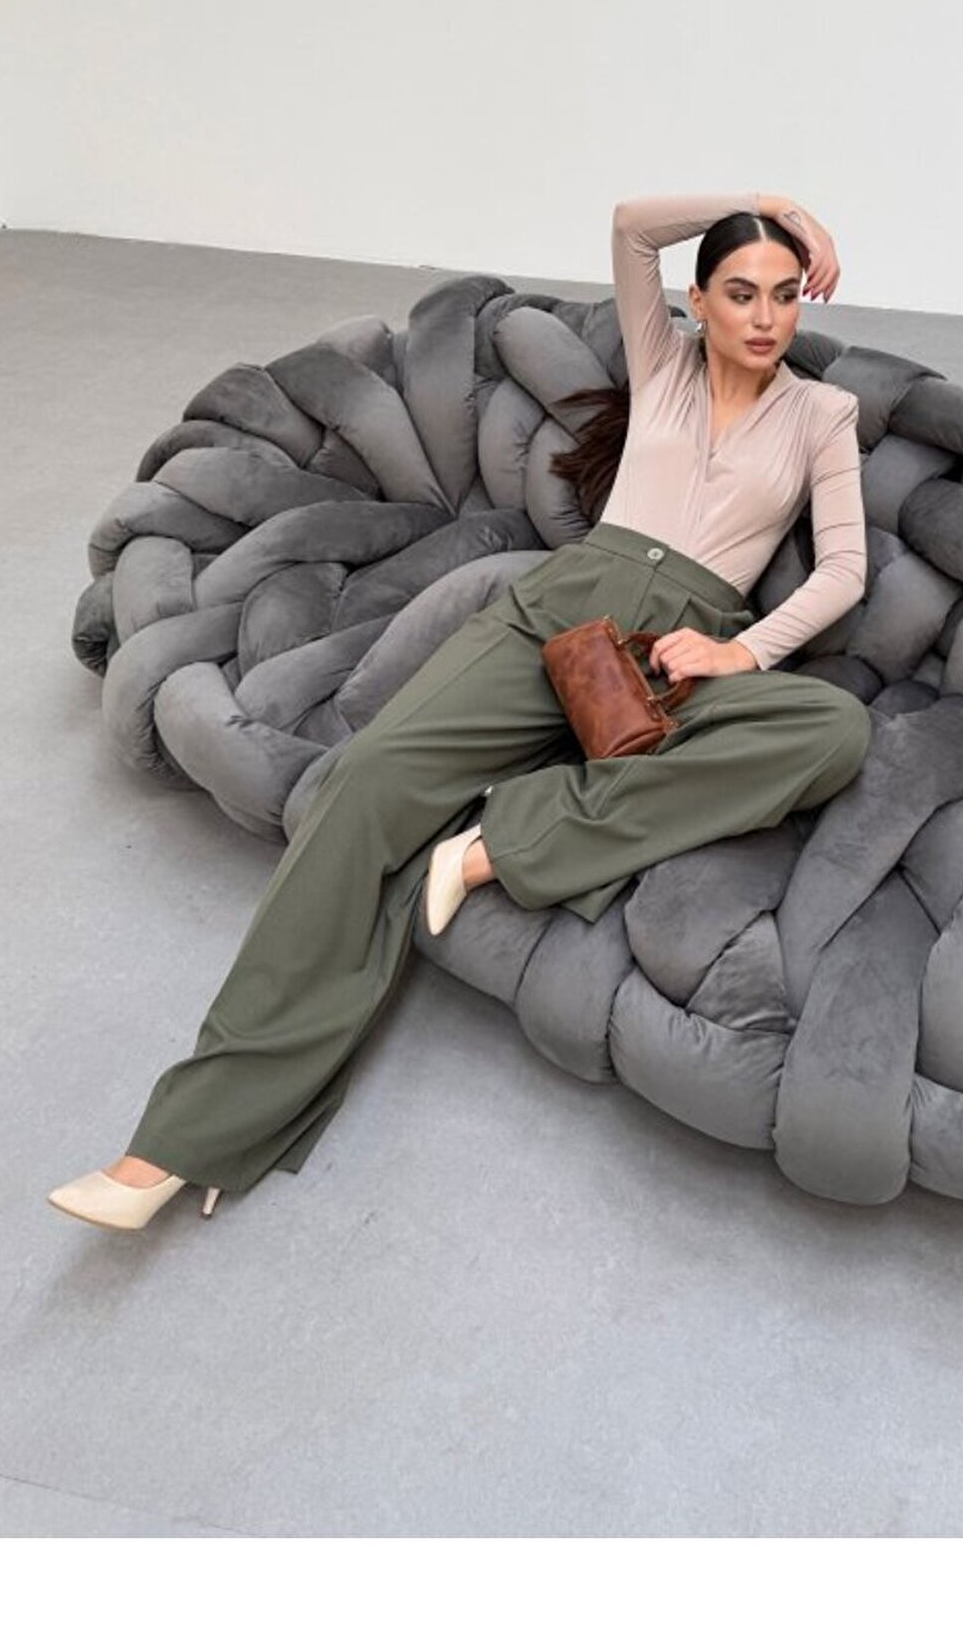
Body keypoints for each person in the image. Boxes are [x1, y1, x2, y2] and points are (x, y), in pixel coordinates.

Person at [48, 191, 873, 1232]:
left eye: (786, 295)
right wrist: (775, 205)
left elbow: (844, 569)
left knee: (832, 731)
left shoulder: (821, 414)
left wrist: (737, 651)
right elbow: (632, 225)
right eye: (741, 293)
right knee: (363, 788)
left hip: (683, 657)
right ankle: (186, 1140)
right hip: (563, 614)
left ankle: (497, 846)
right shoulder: (662, 364)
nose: (765, 317)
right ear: (699, 302)